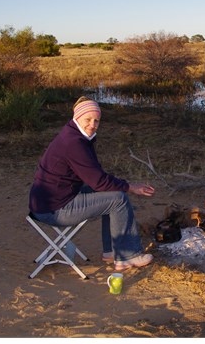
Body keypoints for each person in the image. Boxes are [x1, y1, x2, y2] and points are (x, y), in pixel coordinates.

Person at [28, 96, 155, 272]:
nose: (92, 124)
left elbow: (97, 178)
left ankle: (111, 251)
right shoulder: (73, 143)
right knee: (118, 199)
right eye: (88, 119)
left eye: (96, 120)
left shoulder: (74, 135)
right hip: (54, 210)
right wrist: (132, 186)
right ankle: (127, 256)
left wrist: (122, 185)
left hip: (48, 202)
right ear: (77, 117)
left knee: (111, 194)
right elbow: (99, 182)